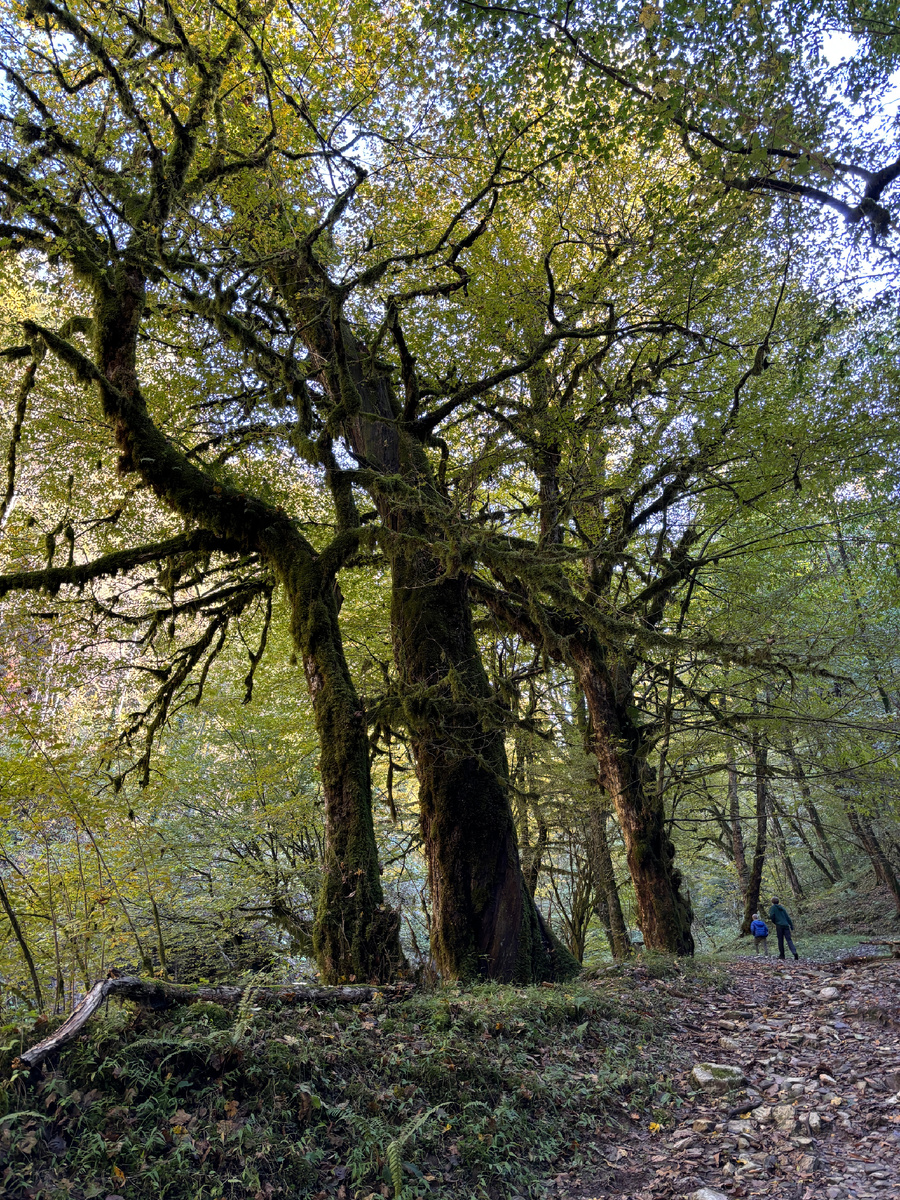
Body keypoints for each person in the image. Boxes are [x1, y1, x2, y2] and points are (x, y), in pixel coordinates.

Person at [768, 896, 799, 960]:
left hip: (779, 926)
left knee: (780, 940)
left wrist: (775, 922)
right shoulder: (782, 908)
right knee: (789, 940)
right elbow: (787, 917)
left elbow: (771, 916)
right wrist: (791, 925)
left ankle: (782, 955)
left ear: (772, 902)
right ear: (778, 901)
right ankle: (794, 952)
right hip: (786, 925)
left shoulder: (773, 908)